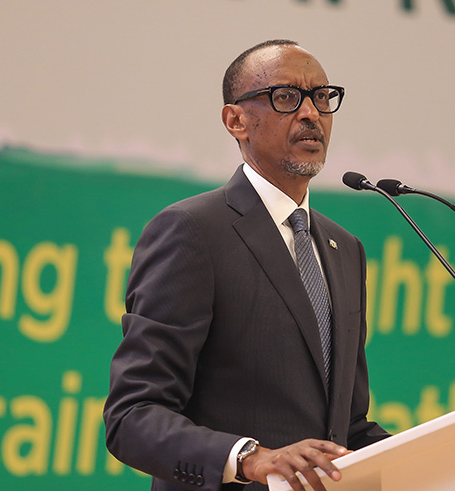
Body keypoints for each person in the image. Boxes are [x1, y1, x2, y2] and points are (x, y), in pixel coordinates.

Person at [103, 39, 389, 491]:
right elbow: (133, 416)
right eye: (287, 97)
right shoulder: (192, 231)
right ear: (236, 121)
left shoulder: (345, 249)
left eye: (322, 96)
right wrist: (251, 459)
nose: (311, 113)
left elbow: (346, 427)